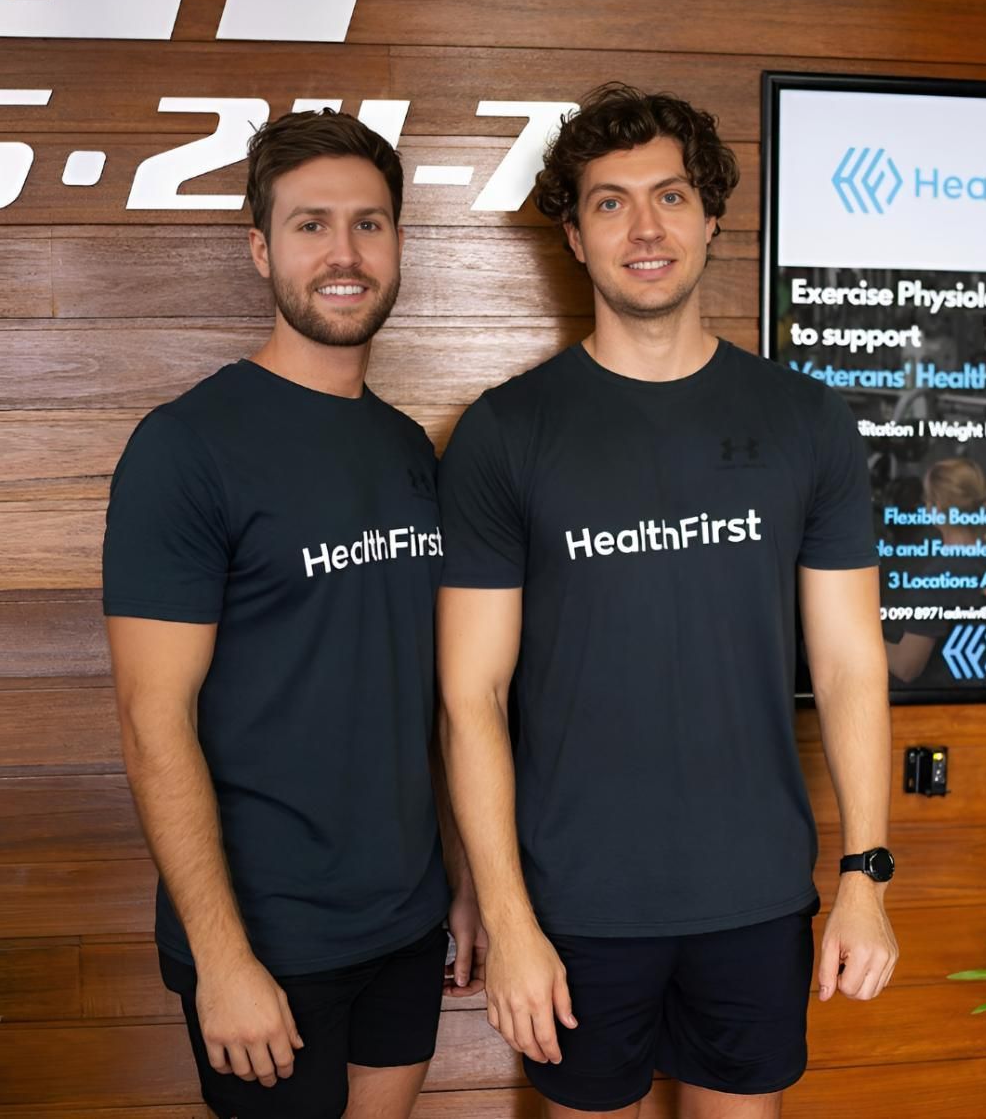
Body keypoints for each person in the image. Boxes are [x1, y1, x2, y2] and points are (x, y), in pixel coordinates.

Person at [437, 83, 897, 1118]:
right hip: (575, 905)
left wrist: (865, 877)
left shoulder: (805, 422)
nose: (645, 229)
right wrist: (508, 919)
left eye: (671, 196)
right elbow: (473, 696)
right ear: (573, 232)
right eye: (610, 203)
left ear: (712, 217)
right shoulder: (508, 433)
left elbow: (851, 664)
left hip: (756, 898)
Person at [102, 111, 481, 1119]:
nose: (344, 254)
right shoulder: (186, 449)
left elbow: (424, 691)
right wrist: (222, 961)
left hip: (404, 926)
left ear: (399, 243)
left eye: (370, 224)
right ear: (263, 248)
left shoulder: (408, 448)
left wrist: (462, 879)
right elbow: (153, 722)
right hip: (266, 944)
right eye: (312, 225)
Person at [886, 457, 986, 689]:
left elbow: (907, 667)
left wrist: (859, 642)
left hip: (937, 707)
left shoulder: (939, 578)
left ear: (935, 509)